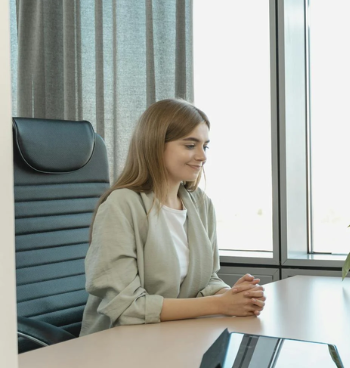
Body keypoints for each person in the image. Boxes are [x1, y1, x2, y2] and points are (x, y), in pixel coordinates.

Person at [81, 98, 265, 336]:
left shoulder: (200, 204)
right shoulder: (121, 205)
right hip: (120, 345)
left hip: (175, 337)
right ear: (155, 146)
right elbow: (126, 307)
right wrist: (221, 304)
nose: (202, 156)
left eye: (205, 146)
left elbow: (207, 280)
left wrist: (235, 296)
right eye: (190, 145)